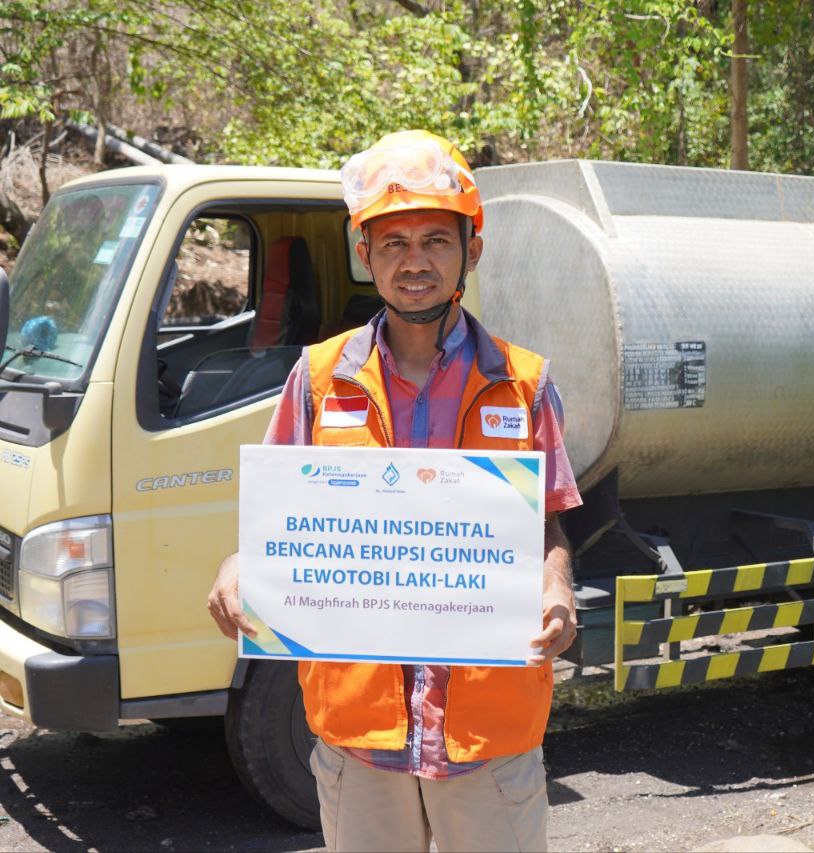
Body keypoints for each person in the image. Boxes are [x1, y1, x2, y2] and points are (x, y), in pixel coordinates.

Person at [206, 129, 582, 853]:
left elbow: (549, 529)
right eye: (394, 242)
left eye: (436, 240)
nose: (416, 262)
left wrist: (556, 586)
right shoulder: (318, 380)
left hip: (486, 734)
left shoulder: (525, 383)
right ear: (365, 254)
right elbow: (280, 523)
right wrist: (238, 565)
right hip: (361, 733)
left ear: (471, 251)